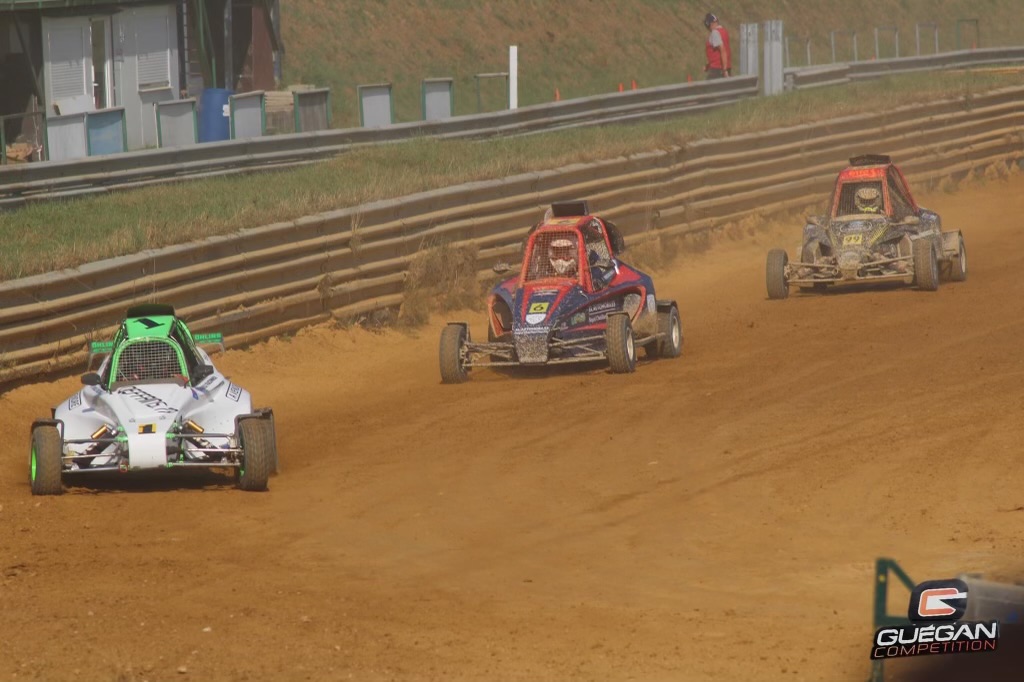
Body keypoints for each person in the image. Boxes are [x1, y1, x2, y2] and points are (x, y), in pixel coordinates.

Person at [703, 12, 731, 80]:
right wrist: (708, 66)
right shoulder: (724, 31)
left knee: (707, 86)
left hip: (717, 70)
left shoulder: (715, 33)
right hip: (726, 67)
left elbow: (722, 50)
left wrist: (724, 70)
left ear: (710, 24)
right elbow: (717, 54)